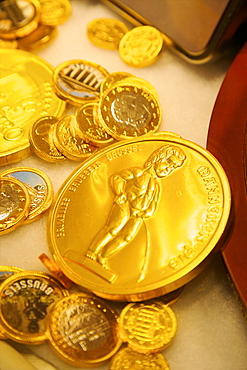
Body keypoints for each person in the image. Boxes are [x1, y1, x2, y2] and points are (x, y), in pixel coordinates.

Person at [86, 144, 186, 269]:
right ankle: (93, 251)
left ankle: (103, 256)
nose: (169, 168)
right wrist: (120, 193)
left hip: (138, 214)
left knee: (127, 237)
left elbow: (153, 204)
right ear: (158, 158)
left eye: (173, 167)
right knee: (113, 228)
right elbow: (117, 178)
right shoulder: (138, 173)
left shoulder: (156, 185)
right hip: (126, 205)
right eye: (169, 162)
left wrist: (147, 213)